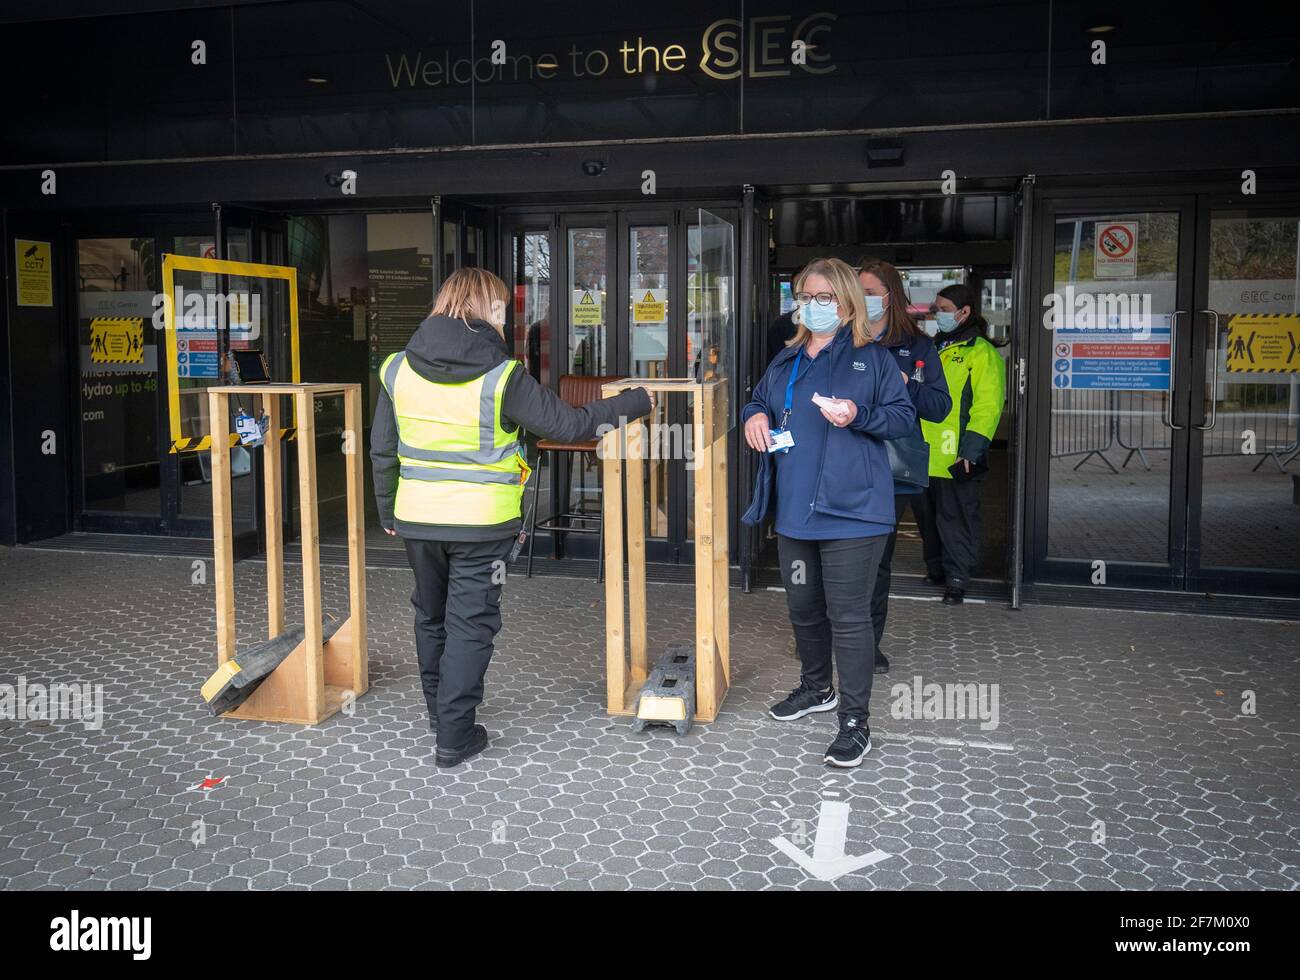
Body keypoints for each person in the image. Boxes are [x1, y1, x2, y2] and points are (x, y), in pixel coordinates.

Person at [371, 268, 652, 768]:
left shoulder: (396, 368)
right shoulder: (501, 376)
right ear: (491, 310)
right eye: (504, 307)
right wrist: (636, 400)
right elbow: (569, 425)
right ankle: (455, 736)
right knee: (469, 624)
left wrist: (386, 508)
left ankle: (441, 717)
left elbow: (382, 450)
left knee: (430, 616)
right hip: (481, 523)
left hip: (416, 518)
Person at [741, 257, 916, 768]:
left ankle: (855, 722)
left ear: (845, 303)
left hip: (854, 511)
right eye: (805, 297)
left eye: (823, 298)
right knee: (803, 609)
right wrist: (754, 416)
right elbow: (759, 400)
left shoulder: (872, 358)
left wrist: (857, 414)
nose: (812, 306)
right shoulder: (787, 358)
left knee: (849, 617)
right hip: (795, 509)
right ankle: (817, 689)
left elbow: (903, 418)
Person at [857, 258, 952, 673]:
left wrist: (906, 383)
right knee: (836, 554)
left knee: (876, 559)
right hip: (844, 462)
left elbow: (939, 406)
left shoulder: (918, 346)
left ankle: (867, 644)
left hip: (891, 469)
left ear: (889, 296)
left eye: (870, 293)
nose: (862, 300)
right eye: (856, 291)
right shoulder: (842, 338)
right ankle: (824, 638)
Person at [919, 282, 1006, 604]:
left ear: (964, 312)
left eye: (942, 310)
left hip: (956, 453)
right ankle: (937, 568)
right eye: (936, 309)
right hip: (925, 452)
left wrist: (972, 450)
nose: (936, 315)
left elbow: (988, 406)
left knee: (956, 518)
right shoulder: (934, 346)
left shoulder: (981, 352)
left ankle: (958, 577)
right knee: (928, 518)